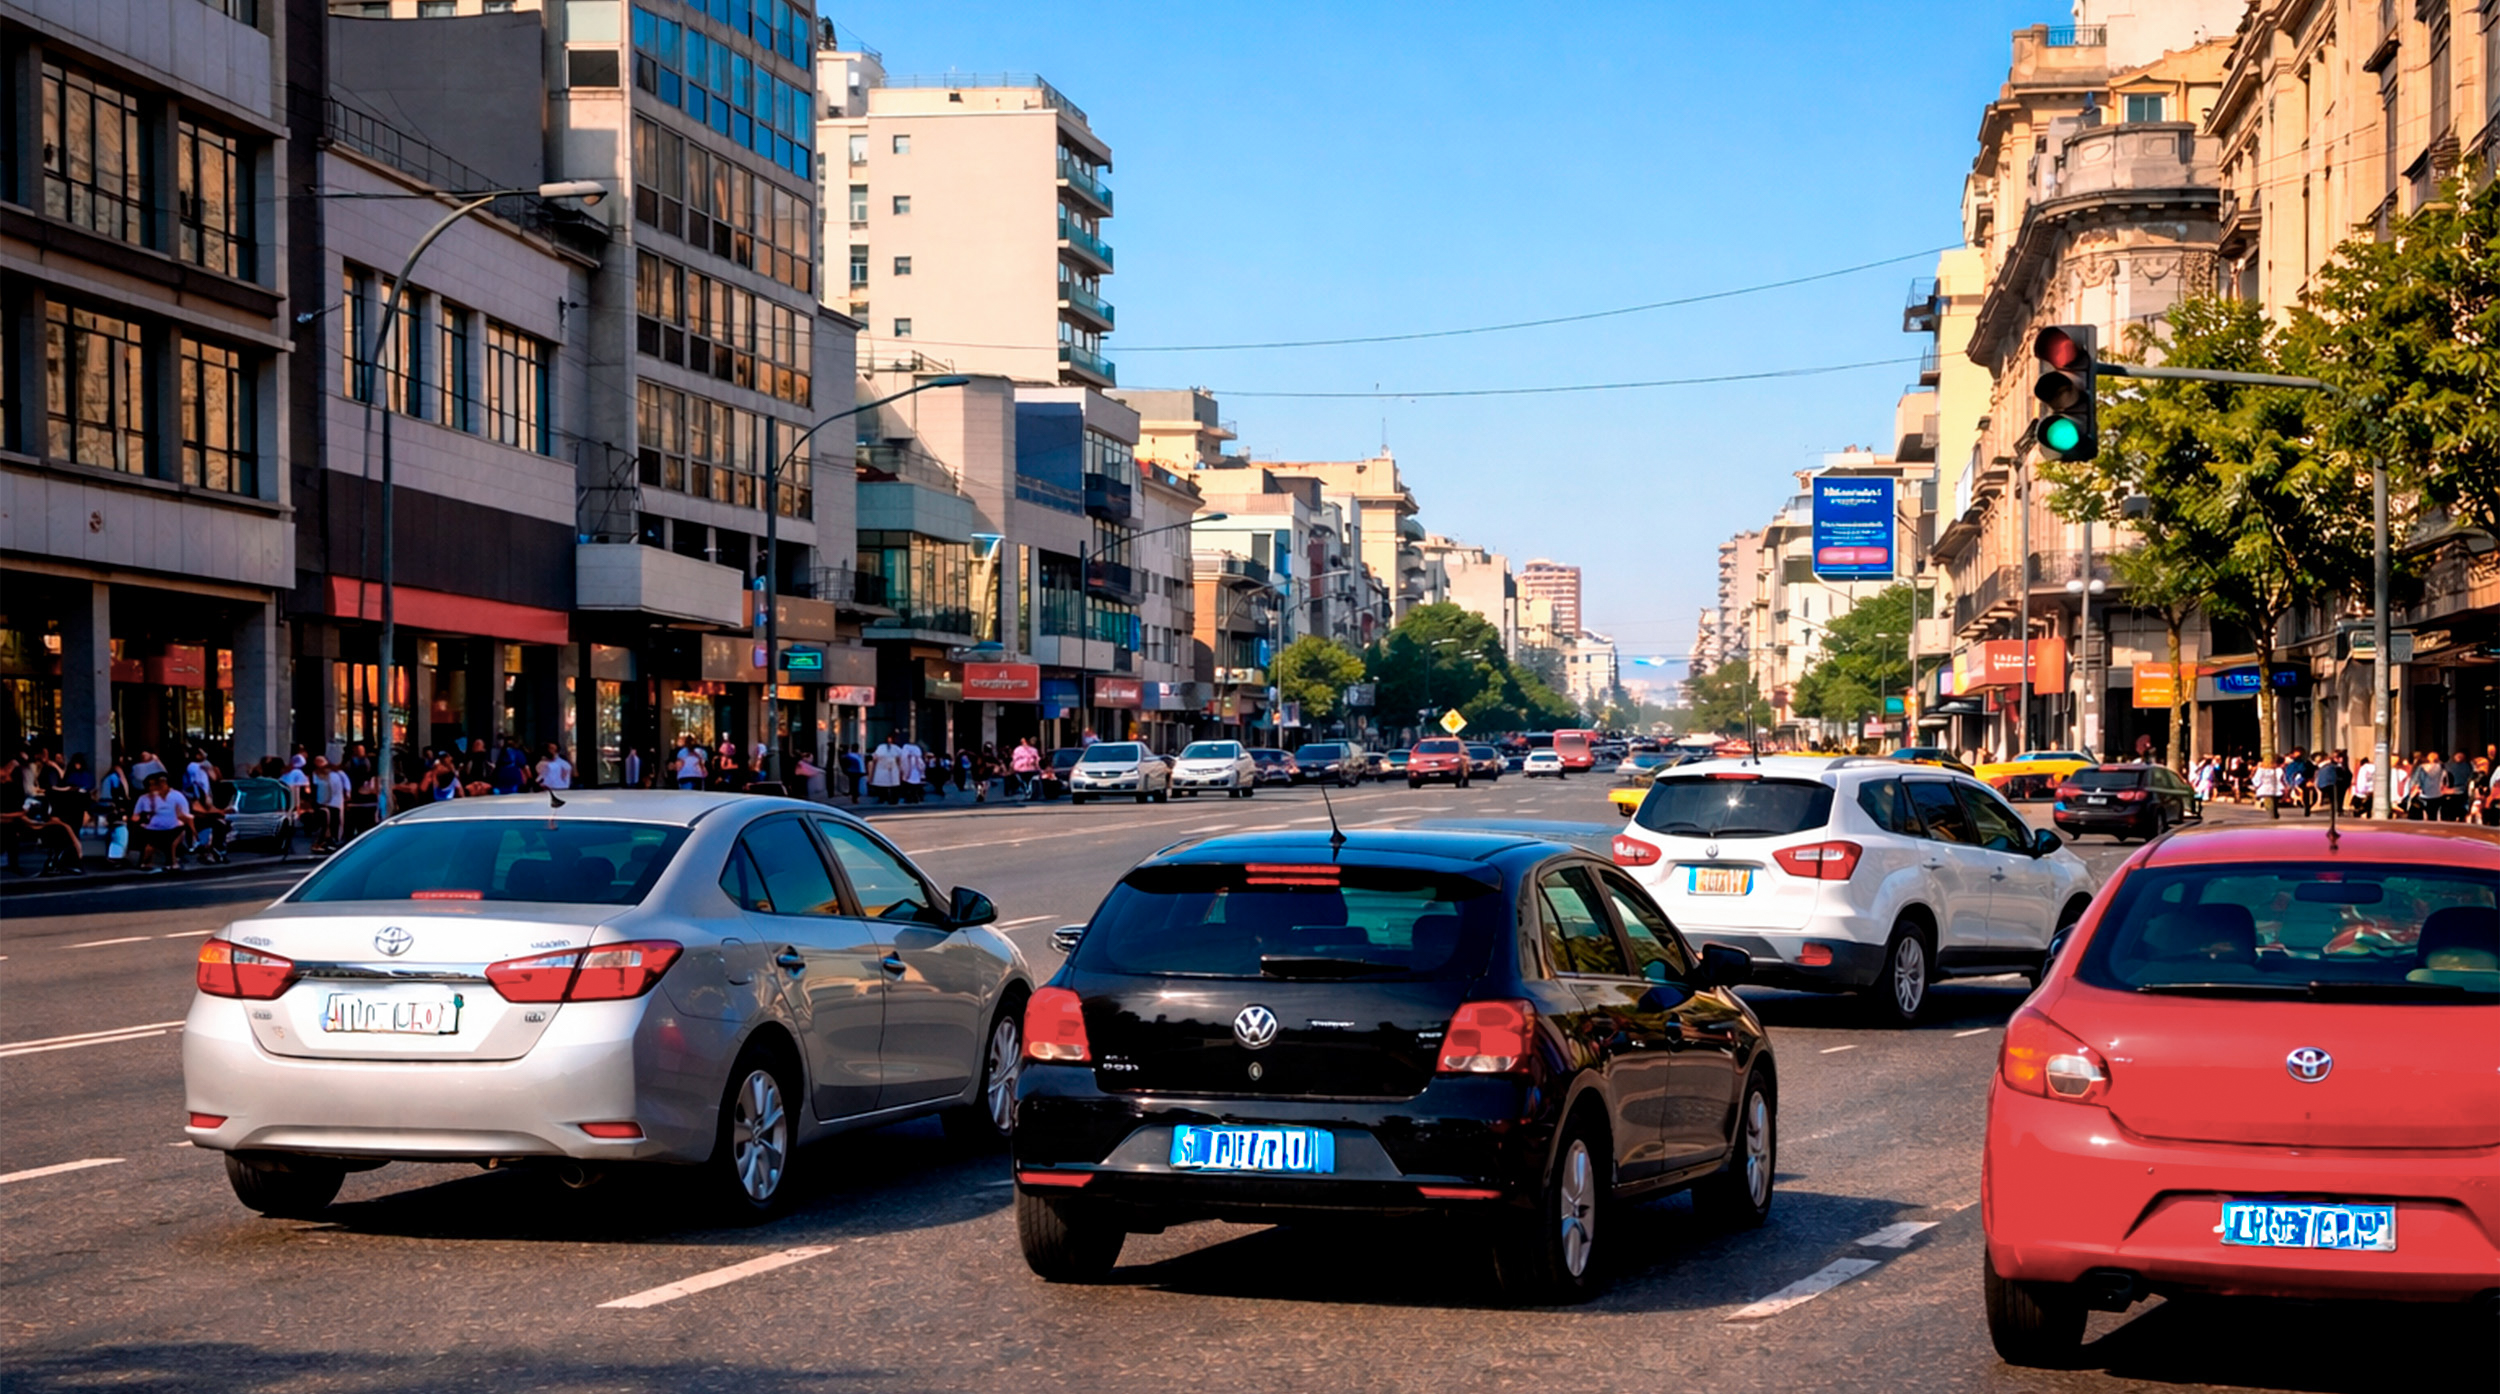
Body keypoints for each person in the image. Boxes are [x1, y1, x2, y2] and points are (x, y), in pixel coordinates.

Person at [128, 771, 192, 875]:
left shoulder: (176, 796)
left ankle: (173, 861)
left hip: (173, 827)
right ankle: (146, 862)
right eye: (150, 785)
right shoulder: (143, 799)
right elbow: (135, 816)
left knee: (174, 837)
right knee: (150, 841)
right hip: (151, 828)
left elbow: (185, 814)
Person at [868, 734, 906, 805]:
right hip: (881, 768)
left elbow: (899, 759)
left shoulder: (896, 748)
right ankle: (883, 798)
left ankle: (893, 800)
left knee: (894, 786)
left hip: (893, 768)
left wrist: (901, 770)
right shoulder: (881, 747)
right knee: (881, 785)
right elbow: (875, 758)